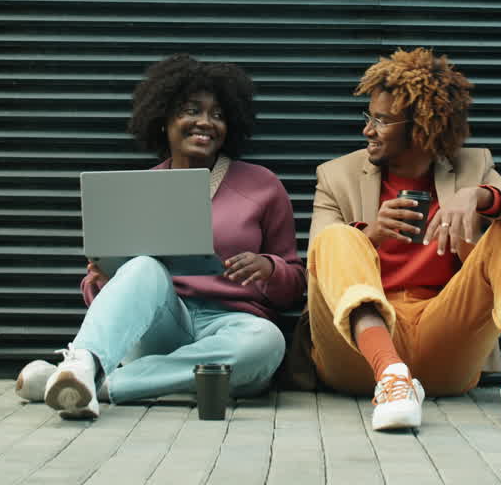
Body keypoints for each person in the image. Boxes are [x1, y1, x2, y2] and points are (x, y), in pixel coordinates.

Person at [15, 54, 305, 419]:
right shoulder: (141, 189)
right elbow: (110, 299)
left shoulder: (262, 185)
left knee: (267, 341)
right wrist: (103, 280)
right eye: (191, 110)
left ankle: (92, 384)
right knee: (143, 267)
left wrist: (269, 268)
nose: (206, 122)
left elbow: (294, 285)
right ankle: (84, 363)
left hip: (233, 327)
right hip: (163, 325)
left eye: (218, 114)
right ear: (164, 119)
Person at [305, 47, 501, 431]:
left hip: (444, 339)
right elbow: (316, 256)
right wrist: (371, 234)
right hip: (357, 354)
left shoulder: (473, 166)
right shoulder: (336, 176)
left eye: (381, 121)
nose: (367, 130)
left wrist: (478, 196)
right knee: (337, 237)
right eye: (369, 117)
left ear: (421, 128)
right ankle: (391, 379)